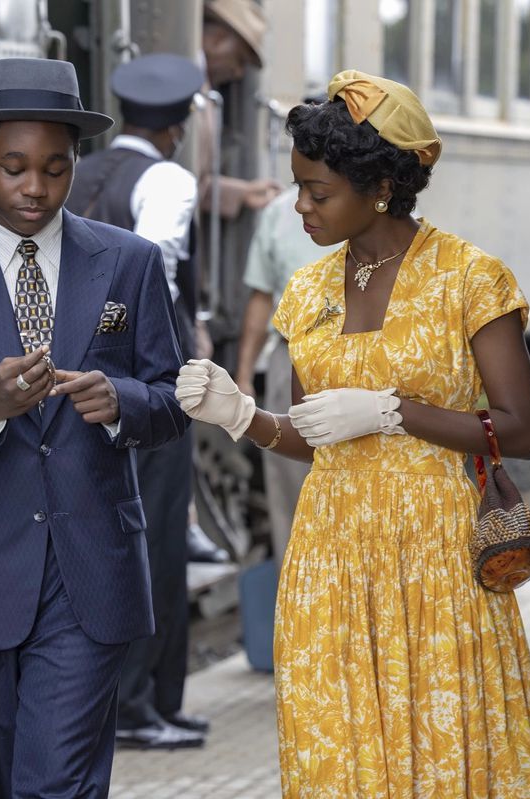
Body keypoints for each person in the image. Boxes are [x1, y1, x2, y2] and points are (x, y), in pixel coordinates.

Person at [176, 71, 530, 796]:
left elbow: (521, 429)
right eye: (297, 187)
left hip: (437, 558)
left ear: (380, 184)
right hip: (329, 554)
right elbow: (312, 434)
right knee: (340, 751)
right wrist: (239, 415)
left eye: (317, 192)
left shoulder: (468, 279)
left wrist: (394, 411)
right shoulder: (309, 289)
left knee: (443, 747)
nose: (300, 207)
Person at [0, 58, 187, 798]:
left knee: (54, 782)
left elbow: (174, 395)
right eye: (14, 167)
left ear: (75, 162)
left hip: (91, 569)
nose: (35, 187)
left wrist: (125, 402)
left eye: (54, 167)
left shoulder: (129, 263)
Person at [65, 52, 207, 750]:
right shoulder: (169, 177)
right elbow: (156, 269)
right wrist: (122, 343)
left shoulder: (77, 172)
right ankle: (140, 704)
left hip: (68, 386)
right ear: (176, 127)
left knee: (101, 539)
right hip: (146, 388)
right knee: (155, 539)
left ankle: (149, 701)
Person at [235, 180, 333, 564]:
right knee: (291, 490)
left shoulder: (387, 210)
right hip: (290, 357)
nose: (302, 205)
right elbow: (260, 298)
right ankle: (297, 600)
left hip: (363, 363)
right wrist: (244, 376)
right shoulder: (278, 211)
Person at [195, 0, 283, 218]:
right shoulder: (191, 85)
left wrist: (242, 193)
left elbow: (189, 181)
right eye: (240, 60)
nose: (238, 73)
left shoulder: (204, 88)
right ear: (218, 39)